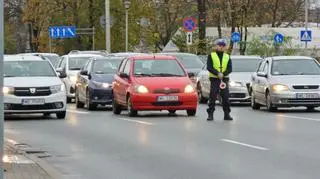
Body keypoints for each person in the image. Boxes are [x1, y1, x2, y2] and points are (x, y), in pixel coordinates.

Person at [206, 39, 233, 121]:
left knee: (225, 97)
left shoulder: (227, 56)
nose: (221, 47)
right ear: (216, 46)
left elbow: (230, 68)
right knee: (213, 97)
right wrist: (217, 73)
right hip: (214, 79)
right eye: (219, 45)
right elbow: (209, 67)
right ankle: (210, 114)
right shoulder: (211, 55)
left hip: (224, 79)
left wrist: (223, 74)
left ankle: (227, 114)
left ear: (225, 47)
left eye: (223, 46)